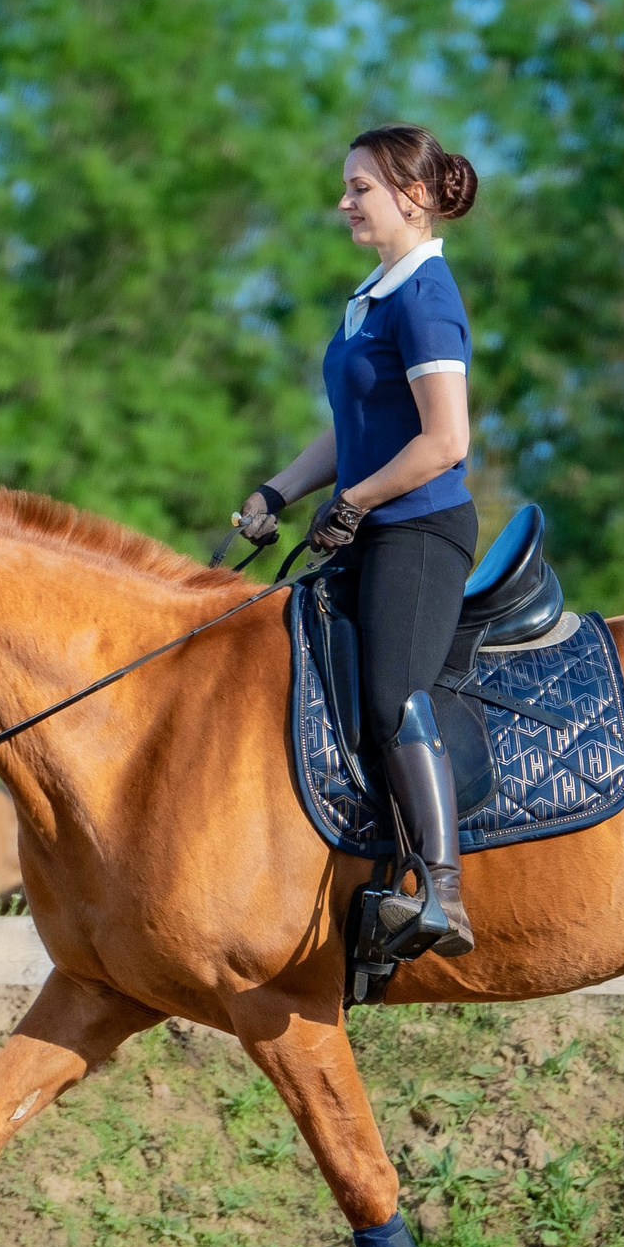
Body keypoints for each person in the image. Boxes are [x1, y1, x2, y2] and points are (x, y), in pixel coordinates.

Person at [234, 123, 480, 955]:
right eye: (347, 187)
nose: (343, 202)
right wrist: (279, 490)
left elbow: (445, 441)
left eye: (360, 188)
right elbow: (356, 430)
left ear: (414, 197)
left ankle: (440, 890)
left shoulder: (426, 297)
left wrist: (359, 500)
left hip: (418, 530)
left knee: (391, 698)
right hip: (369, 525)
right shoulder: (372, 296)